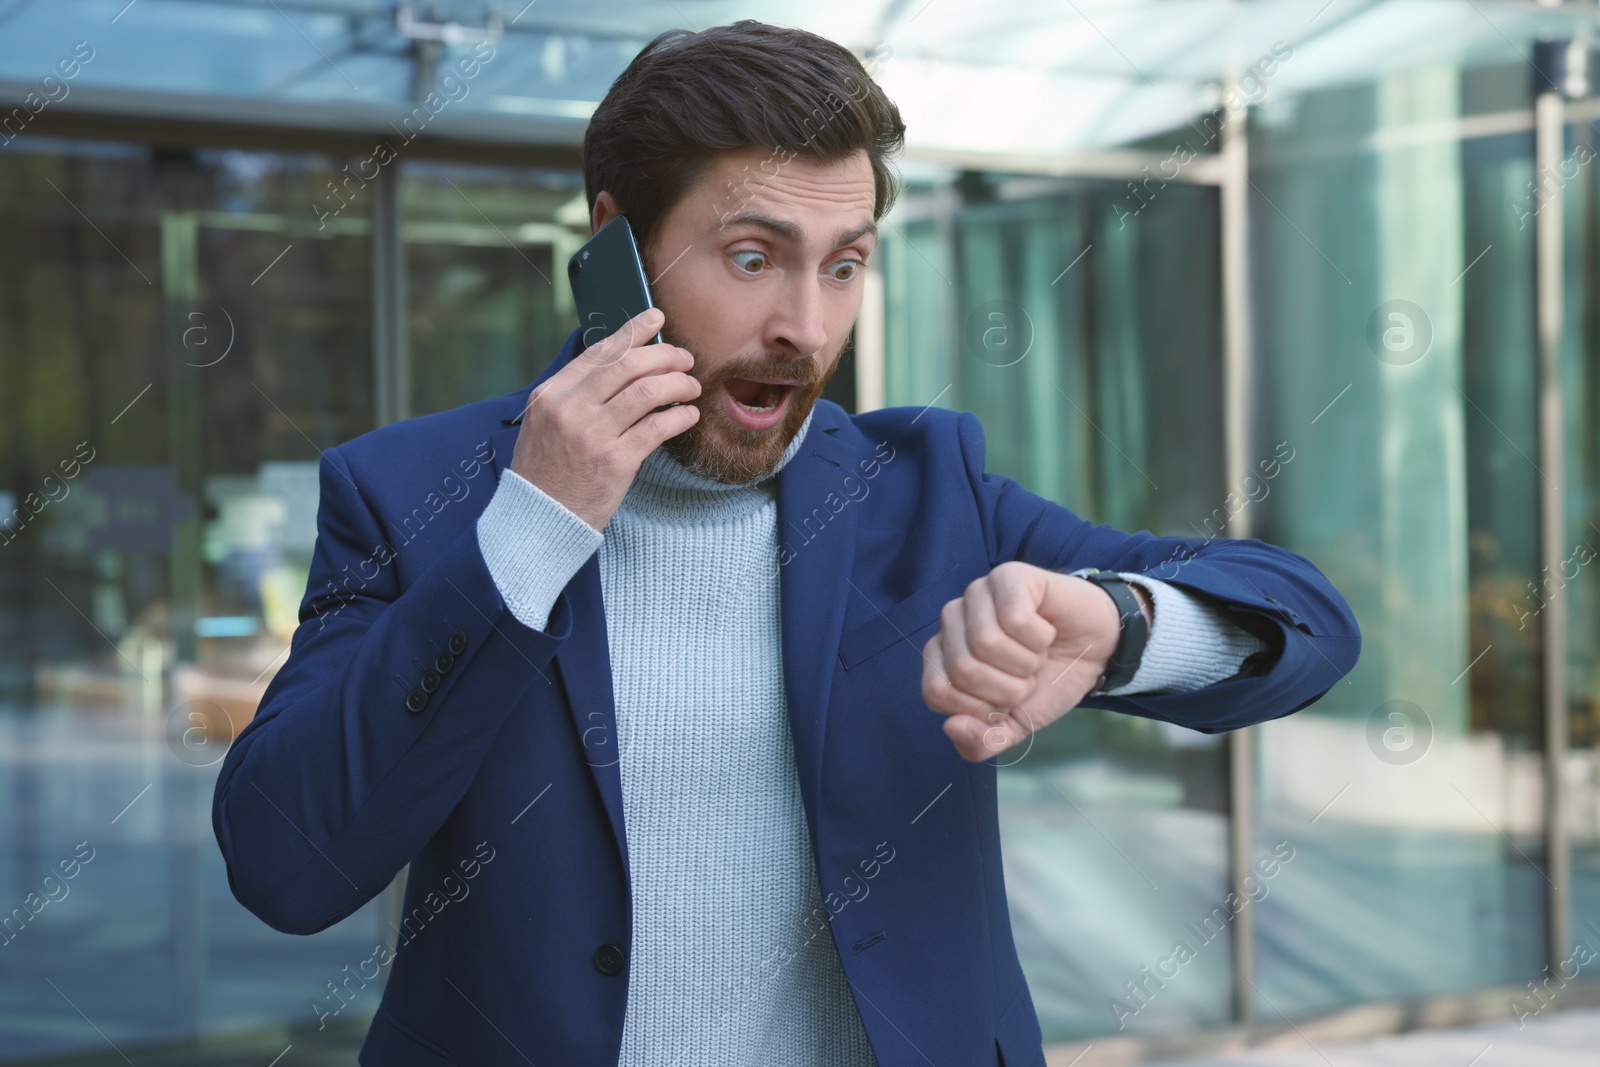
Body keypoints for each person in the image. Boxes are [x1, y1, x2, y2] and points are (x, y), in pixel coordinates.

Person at [212, 20, 1360, 1067]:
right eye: (752, 256)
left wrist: (1118, 625)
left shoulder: (929, 492)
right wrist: (531, 529)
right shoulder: (407, 493)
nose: (805, 329)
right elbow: (286, 863)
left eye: (844, 264)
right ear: (615, 243)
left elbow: (1304, 618)